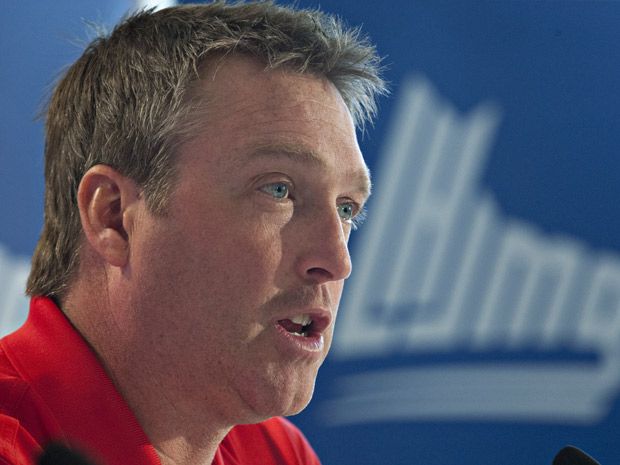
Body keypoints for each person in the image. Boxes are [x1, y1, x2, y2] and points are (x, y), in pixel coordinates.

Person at [0, 2, 385, 465]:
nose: (337, 260)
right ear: (115, 217)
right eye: (278, 189)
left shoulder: (277, 454)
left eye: (347, 208)